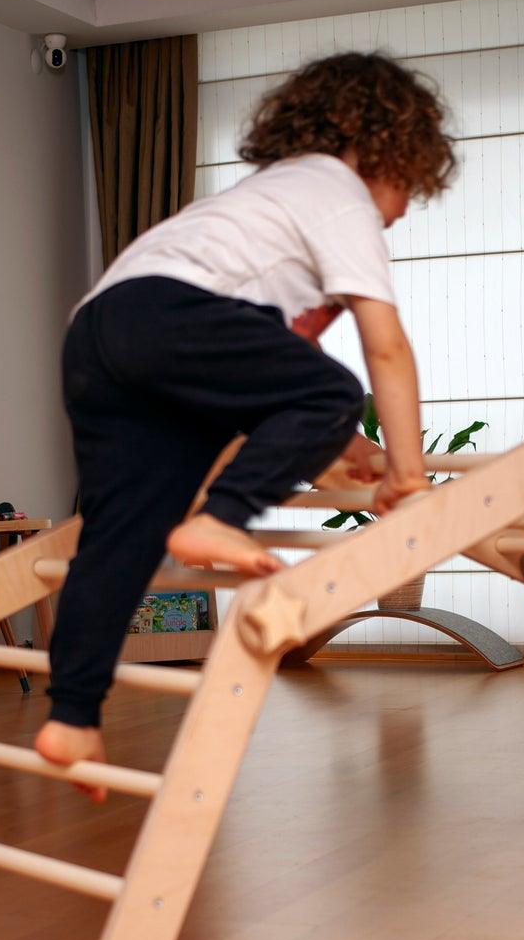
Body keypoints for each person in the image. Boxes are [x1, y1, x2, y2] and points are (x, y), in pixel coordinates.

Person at [33, 51, 456, 796]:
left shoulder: (261, 208)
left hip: (99, 336)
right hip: (168, 319)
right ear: (376, 147)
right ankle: (220, 518)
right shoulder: (336, 190)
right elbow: (384, 346)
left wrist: (351, 448)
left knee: (121, 535)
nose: (402, 209)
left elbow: (268, 386)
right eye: (409, 187)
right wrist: (409, 475)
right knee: (335, 388)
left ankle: (71, 714)